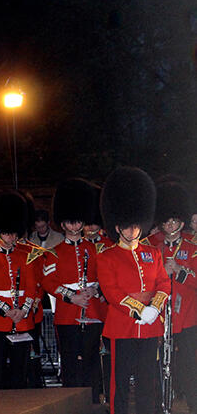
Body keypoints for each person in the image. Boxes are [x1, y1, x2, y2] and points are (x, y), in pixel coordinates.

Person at [97, 167, 170, 414]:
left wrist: (154, 308)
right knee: (119, 382)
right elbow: (112, 292)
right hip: (123, 326)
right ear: (117, 227)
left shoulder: (152, 253)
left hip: (150, 326)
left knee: (147, 380)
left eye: (136, 225)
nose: (133, 231)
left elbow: (163, 283)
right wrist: (140, 310)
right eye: (127, 227)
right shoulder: (106, 257)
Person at [41, 179, 103, 401]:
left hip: (93, 310)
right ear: (63, 224)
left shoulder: (95, 250)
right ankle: (72, 402)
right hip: (68, 314)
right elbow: (48, 281)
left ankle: (95, 401)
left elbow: (105, 276)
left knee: (91, 359)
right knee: (70, 360)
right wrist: (72, 297)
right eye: (70, 222)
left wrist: (94, 290)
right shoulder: (53, 252)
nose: (75, 226)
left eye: (78, 222)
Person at [142, 181, 197, 412]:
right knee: (157, 367)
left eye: (174, 220)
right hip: (160, 317)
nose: (170, 224)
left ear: (182, 221)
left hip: (187, 317)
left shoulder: (193, 246)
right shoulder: (151, 244)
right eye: (166, 220)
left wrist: (181, 273)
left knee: (188, 367)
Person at [0, 190, 37, 389]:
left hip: (22, 318)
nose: (10, 236)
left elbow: (31, 287)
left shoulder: (25, 255)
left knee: (21, 370)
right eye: (6, 232)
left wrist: (22, 311)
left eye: (12, 232)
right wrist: (6, 311)